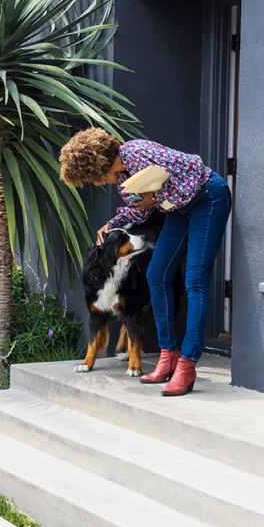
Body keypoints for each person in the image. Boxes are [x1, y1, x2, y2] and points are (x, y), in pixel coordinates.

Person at [59, 128, 231, 397]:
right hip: (180, 209)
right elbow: (140, 208)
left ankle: (187, 365)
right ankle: (169, 355)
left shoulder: (137, 151)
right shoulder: (123, 180)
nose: (96, 183)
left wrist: (157, 198)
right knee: (157, 273)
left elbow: (192, 171)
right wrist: (112, 224)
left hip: (207, 196)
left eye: (93, 179)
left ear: (98, 164)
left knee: (195, 280)